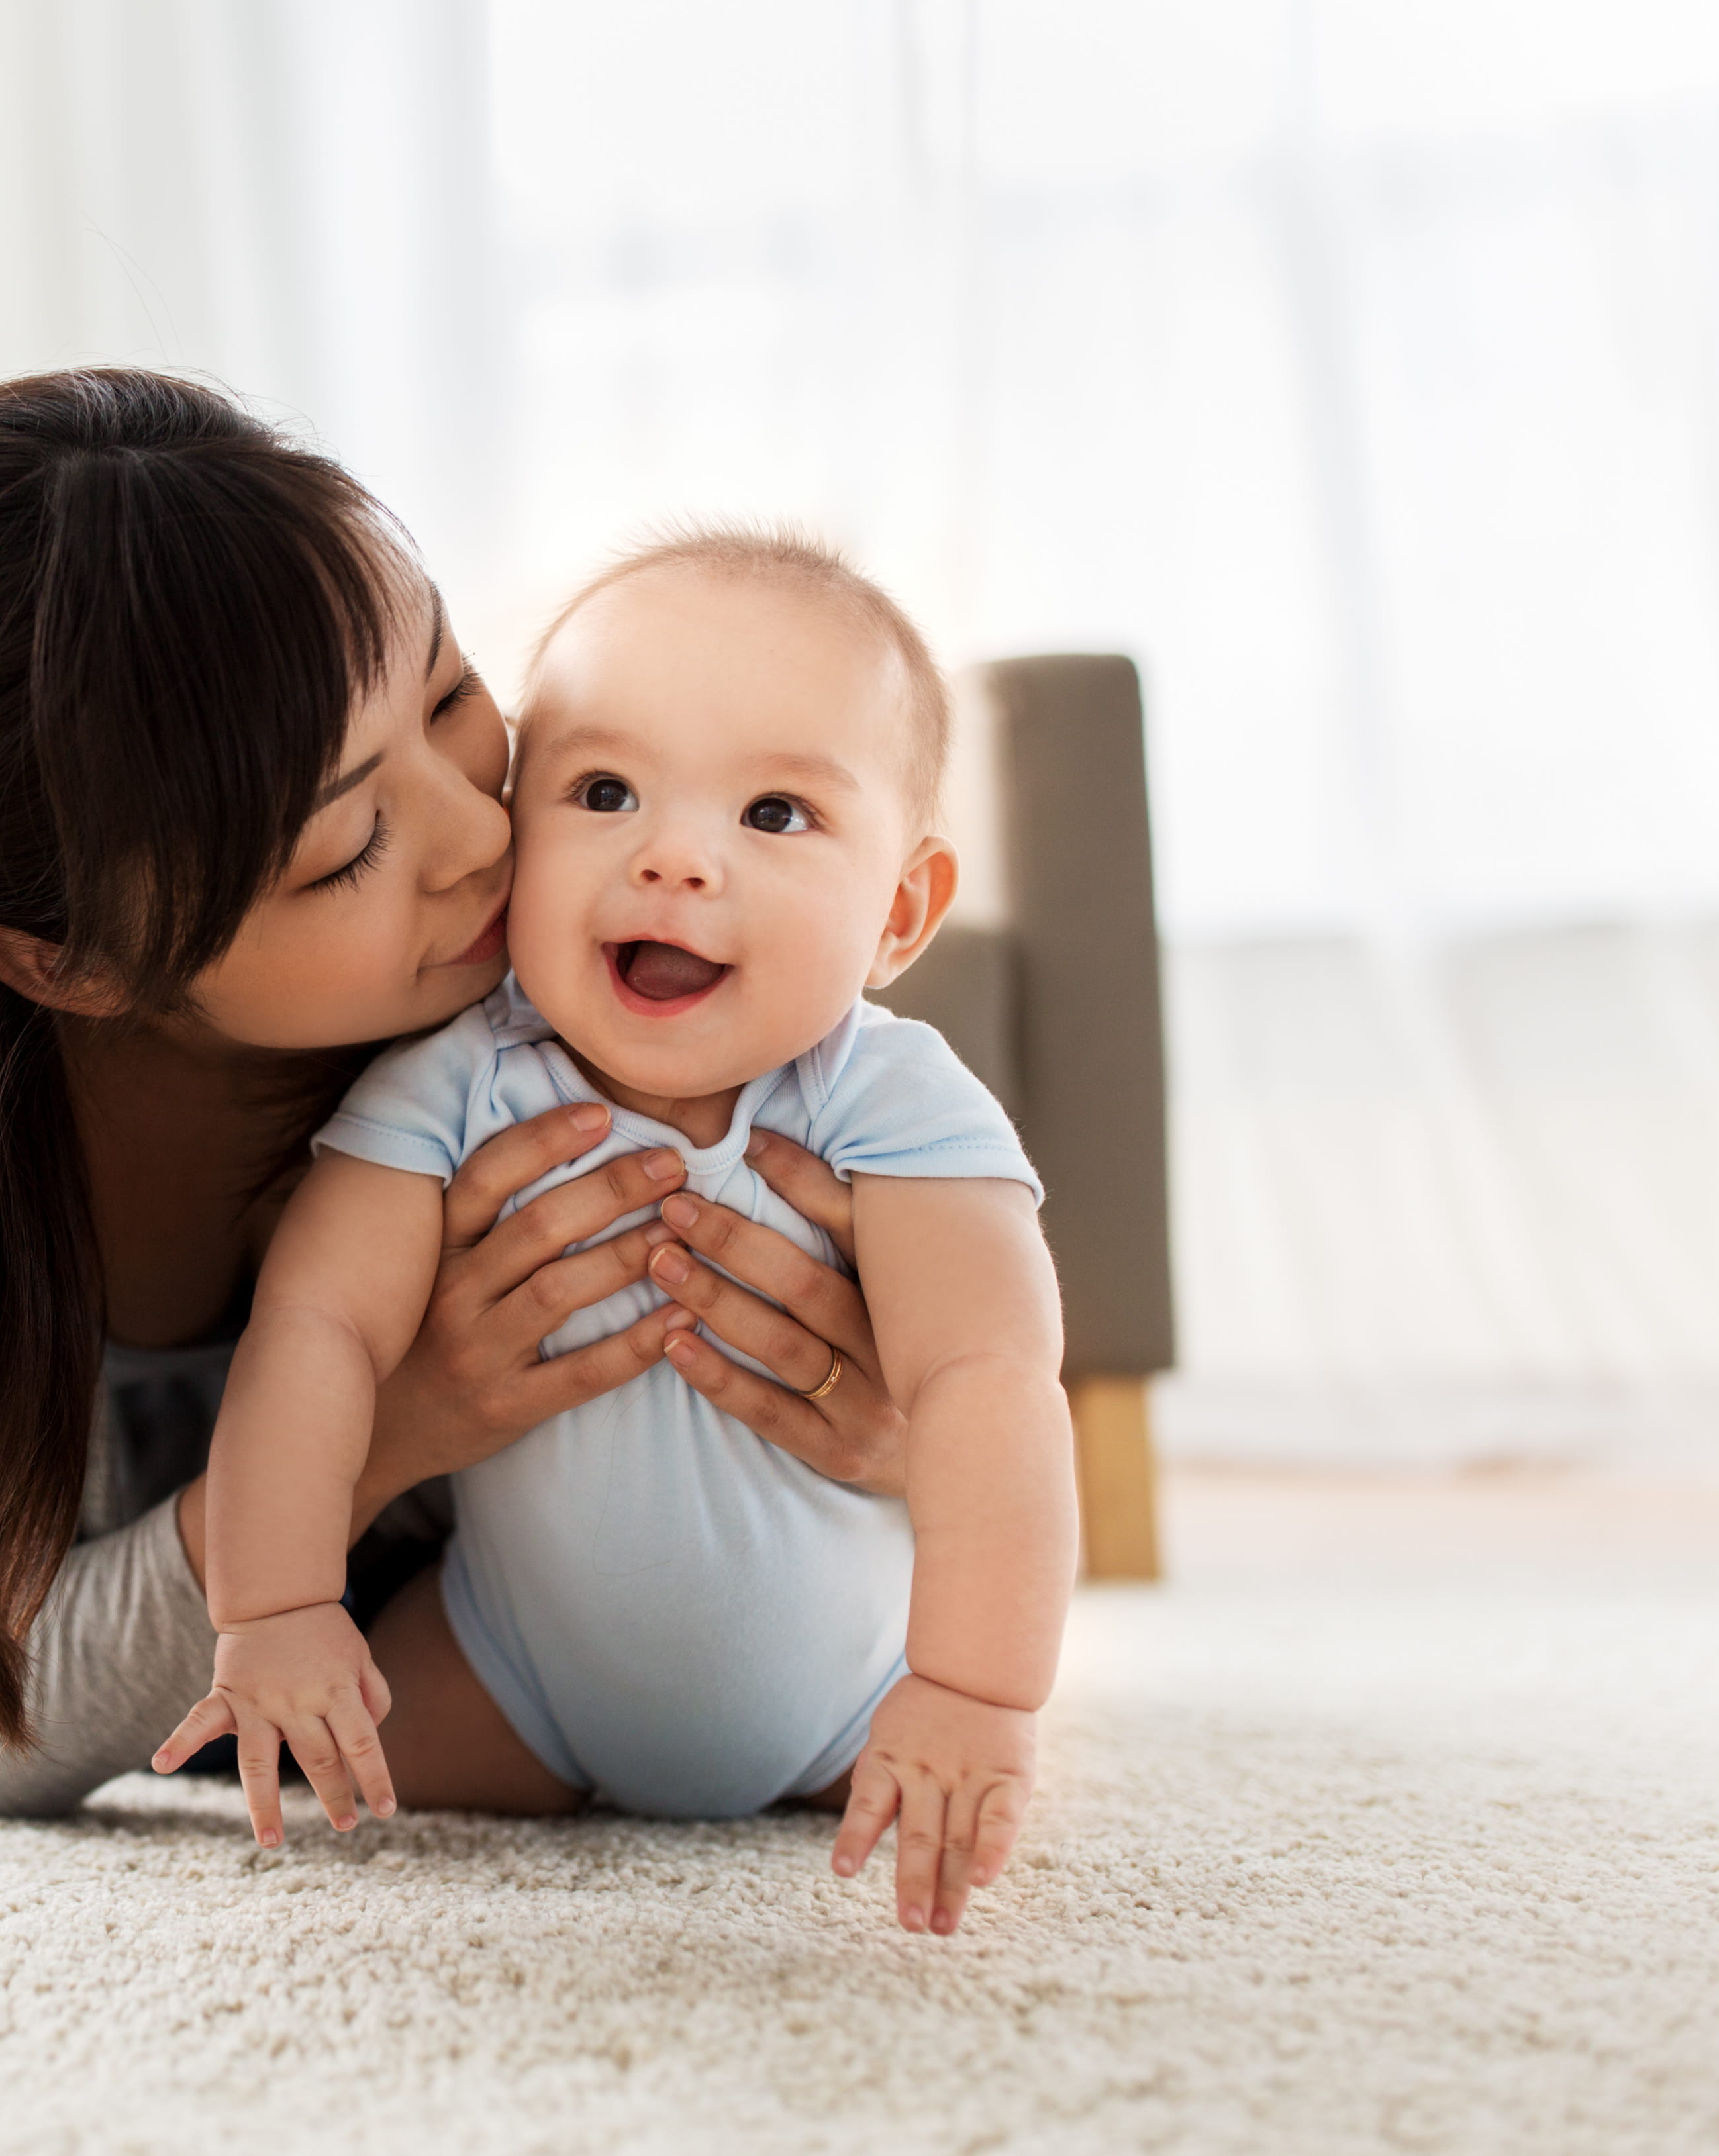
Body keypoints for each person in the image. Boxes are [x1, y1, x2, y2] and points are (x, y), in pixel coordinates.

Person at [0, 369, 916, 1820]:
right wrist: (379, 1427)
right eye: (345, 850)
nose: (479, 838)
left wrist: (903, 1433)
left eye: (451, 692)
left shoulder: (577, 940)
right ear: (70, 961)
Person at [158, 532, 1069, 1936]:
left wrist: (971, 1689)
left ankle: (926, 1731)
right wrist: (275, 1608)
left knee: (948, 1779)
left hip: (852, 1702)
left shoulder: (890, 1101)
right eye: (603, 790)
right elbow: (317, 1329)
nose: (675, 859)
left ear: (899, 910)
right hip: (515, 1680)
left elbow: (992, 1379)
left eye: (775, 814)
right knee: (300, 1784)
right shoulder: (452, 1082)